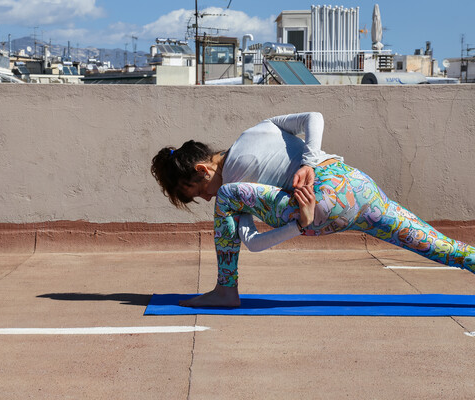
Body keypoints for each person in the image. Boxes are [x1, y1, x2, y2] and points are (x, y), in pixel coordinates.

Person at [151, 112, 475, 307]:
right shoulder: (258, 129)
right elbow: (313, 117)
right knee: (437, 244)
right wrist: (310, 162)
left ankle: (225, 289)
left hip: (321, 206)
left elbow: (252, 243)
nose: (207, 199)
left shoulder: (231, 186)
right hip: (358, 187)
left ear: (202, 170)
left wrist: (299, 226)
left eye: (196, 192)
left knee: (227, 197)